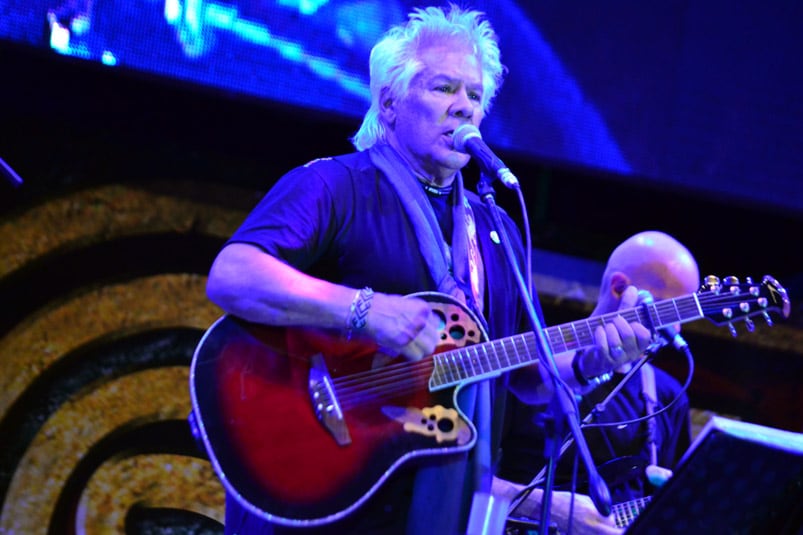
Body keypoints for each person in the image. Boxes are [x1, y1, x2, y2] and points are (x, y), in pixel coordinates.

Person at [205, 4, 651, 534]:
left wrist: (586, 365)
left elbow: (515, 377)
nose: (463, 107)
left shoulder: (497, 231)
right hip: (313, 490)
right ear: (389, 103)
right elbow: (232, 274)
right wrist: (364, 310)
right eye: (444, 89)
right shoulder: (334, 186)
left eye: (475, 96)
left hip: (430, 511)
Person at [493, 230, 700, 534]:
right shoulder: (526, 369)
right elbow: (466, 484)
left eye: (684, 312)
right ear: (619, 288)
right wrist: (550, 509)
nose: (676, 326)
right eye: (668, 307)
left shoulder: (667, 395)